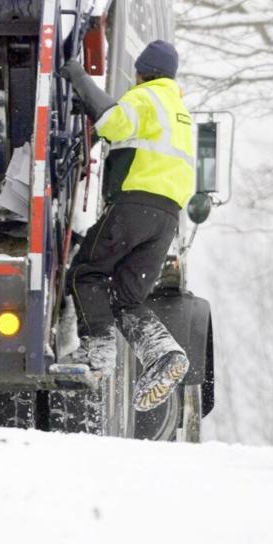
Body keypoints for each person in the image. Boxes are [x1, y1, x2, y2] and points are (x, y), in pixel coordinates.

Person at [60, 39, 196, 412]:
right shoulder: (180, 111)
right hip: (167, 219)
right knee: (125, 297)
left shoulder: (146, 96)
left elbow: (112, 124)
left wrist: (78, 78)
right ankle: (164, 354)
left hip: (136, 205)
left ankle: (98, 352)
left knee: (84, 273)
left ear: (141, 71)